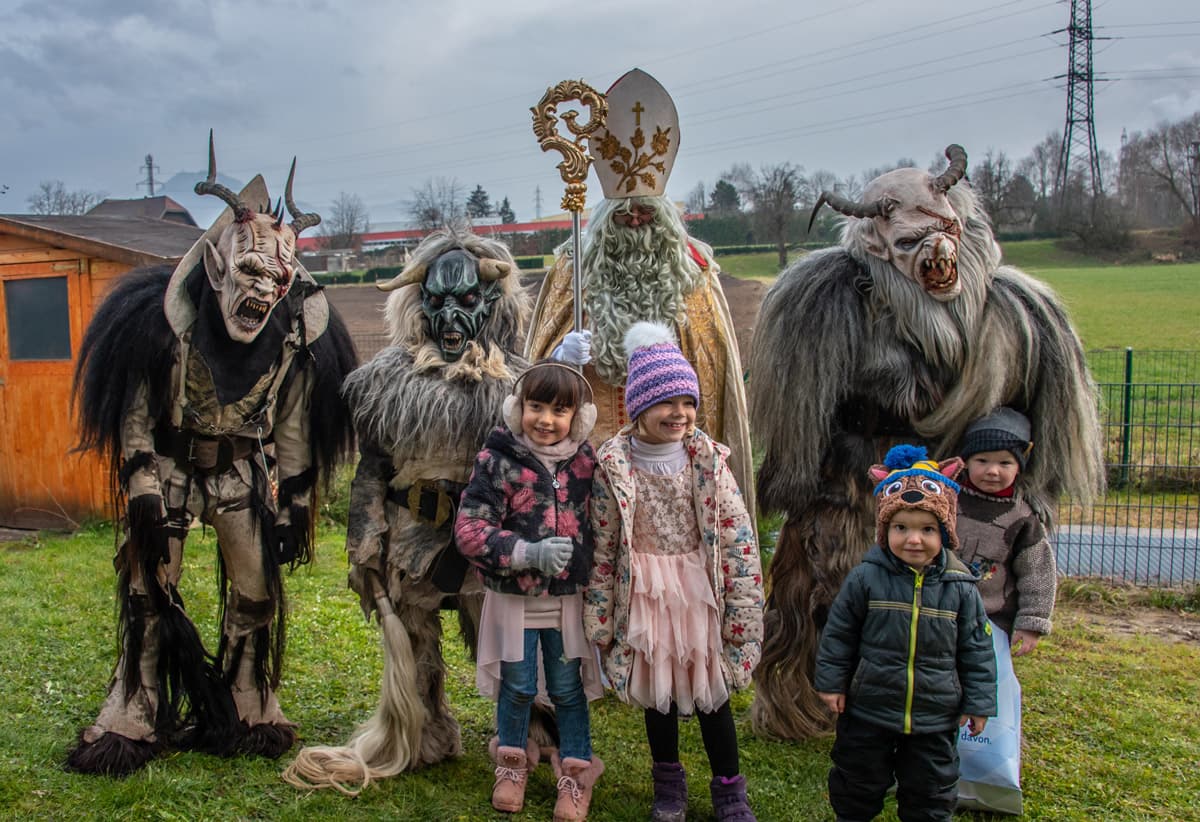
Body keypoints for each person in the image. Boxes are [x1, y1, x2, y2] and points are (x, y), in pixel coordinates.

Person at [68, 145, 356, 776]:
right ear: (219, 266)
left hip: (240, 469)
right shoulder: (162, 327)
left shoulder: (293, 337)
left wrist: (296, 505)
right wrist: (142, 487)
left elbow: (293, 425)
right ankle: (136, 707)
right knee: (148, 585)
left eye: (277, 278)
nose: (263, 288)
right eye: (250, 269)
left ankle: (245, 700)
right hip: (171, 463)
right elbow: (135, 413)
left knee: (256, 589)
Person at [526, 67, 755, 521]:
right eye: (624, 214)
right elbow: (536, 373)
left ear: (664, 217)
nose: (635, 222)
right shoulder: (573, 270)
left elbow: (714, 367)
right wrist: (559, 358)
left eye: (646, 214)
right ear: (604, 218)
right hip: (589, 461)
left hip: (675, 458)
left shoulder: (694, 272)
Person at [585, 322, 763, 822]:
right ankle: (668, 785)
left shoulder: (707, 461)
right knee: (657, 694)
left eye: (688, 402)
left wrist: (744, 608)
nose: (680, 413)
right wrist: (599, 617)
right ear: (639, 408)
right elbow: (603, 546)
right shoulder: (614, 465)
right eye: (667, 403)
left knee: (712, 693)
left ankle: (729, 789)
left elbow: (736, 536)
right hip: (644, 594)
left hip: (698, 592)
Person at [455, 360, 605, 820]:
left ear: (578, 417)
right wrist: (526, 552)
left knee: (567, 688)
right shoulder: (497, 459)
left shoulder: (587, 463)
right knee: (518, 686)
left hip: (566, 601)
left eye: (560, 411)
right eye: (536, 406)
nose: (545, 420)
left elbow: (606, 525)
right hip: (515, 600)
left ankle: (576, 772)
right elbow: (470, 530)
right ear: (517, 407)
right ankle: (512, 763)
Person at [815, 444, 997, 822]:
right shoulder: (865, 578)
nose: (914, 539)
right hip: (869, 708)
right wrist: (832, 683)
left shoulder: (961, 587)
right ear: (885, 530)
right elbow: (839, 635)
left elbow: (977, 648)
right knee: (857, 781)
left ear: (945, 532)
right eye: (901, 528)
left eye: (927, 529)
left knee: (931, 790)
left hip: (935, 715)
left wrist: (979, 701)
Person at [957, 407, 1056, 656]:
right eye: (982, 461)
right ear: (966, 461)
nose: (993, 471)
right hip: (941, 614)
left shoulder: (1022, 518)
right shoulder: (947, 502)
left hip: (993, 620)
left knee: (993, 676)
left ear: (1019, 467)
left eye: (1005, 463)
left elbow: (1037, 572)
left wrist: (1032, 622)